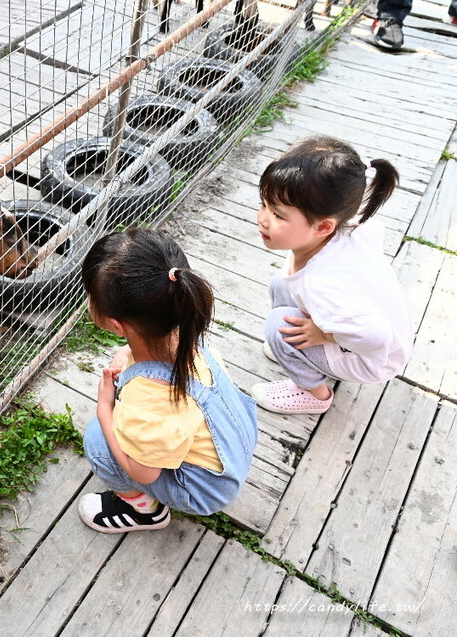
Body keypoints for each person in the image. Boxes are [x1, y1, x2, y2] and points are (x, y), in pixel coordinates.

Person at [77, 229, 258, 533]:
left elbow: (143, 473)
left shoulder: (150, 403)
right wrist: (127, 354)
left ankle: (145, 511)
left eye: (90, 296)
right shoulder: (186, 333)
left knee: (98, 440)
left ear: (116, 325)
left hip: (205, 489)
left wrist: (105, 409)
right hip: (233, 444)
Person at [251, 136, 413, 415]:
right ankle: (296, 352)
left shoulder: (320, 284)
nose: (263, 218)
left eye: (278, 215)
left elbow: (376, 336)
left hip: (372, 358)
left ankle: (314, 393)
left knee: (278, 328)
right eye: (264, 204)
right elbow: (377, 229)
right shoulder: (349, 228)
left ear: (324, 226)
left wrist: (325, 334)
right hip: (374, 329)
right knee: (281, 283)